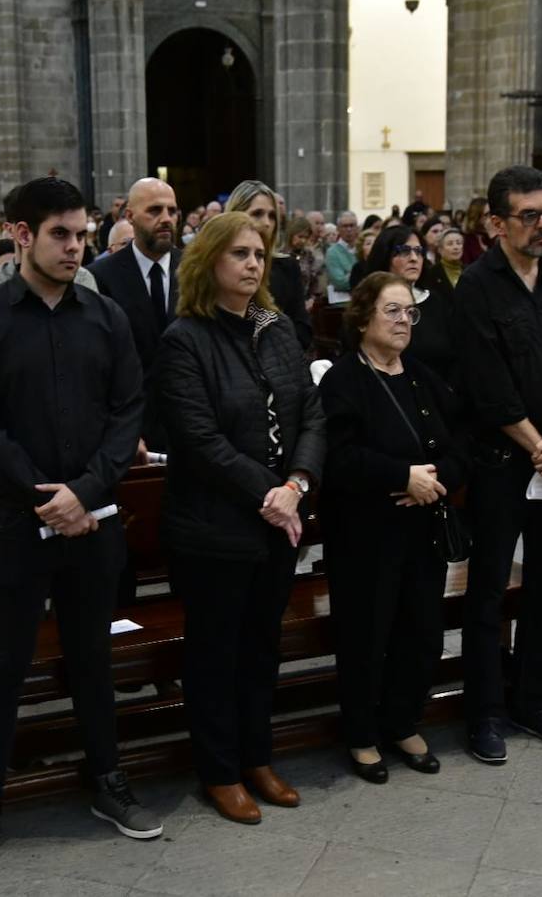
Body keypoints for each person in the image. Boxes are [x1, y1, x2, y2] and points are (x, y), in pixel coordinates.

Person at [0, 178, 160, 881]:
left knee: (92, 660)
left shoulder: (103, 318)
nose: (76, 247)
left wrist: (87, 492)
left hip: (93, 522)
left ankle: (108, 781)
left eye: (83, 234)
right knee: (3, 666)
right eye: (61, 235)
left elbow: (128, 411)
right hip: (12, 522)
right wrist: (48, 495)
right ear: (20, 236)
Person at [155, 211, 324, 824]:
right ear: (209, 263)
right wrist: (273, 494)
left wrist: (299, 483)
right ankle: (219, 770)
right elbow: (200, 442)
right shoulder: (185, 339)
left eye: (259, 254)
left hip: (277, 524)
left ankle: (258, 757)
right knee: (215, 652)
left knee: (262, 647)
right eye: (240, 254)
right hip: (214, 528)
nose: (253, 264)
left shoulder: (275, 328)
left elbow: (312, 413)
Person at [452, 165, 542, 764]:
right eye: (530, 215)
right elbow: (488, 389)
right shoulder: (477, 287)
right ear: (496, 223)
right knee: (488, 590)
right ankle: (484, 713)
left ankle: (535, 703)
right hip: (501, 465)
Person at [320, 271, 468, 784]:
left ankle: (403, 722)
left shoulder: (422, 377)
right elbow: (338, 459)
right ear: (362, 318)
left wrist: (436, 478)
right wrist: (401, 475)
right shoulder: (343, 380)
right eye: (393, 311)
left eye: (411, 312)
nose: (405, 320)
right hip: (365, 536)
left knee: (422, 633)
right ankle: (361, 734)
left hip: (422, 532)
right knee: (366, 635)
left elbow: (458, 447)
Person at [88, 177, 181, 456]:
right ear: (130, 216)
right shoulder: (102, 276)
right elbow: (99, 364)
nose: (166, 219)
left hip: (191, 421)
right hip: (131, 427)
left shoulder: (196, 271)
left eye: (172, 211)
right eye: (154, 211)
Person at [225, 179, 313, 349]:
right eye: (257, 213)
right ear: (235, 215)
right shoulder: (222, 265)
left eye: (272, 216)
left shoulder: (287, 267)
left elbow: (303, 329)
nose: (266, 223)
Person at [366, 225, 457, 385]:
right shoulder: (370, 302)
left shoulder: (434, 301)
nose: (414, 258)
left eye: (419, 251)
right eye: (404, 251)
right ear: (386, 255)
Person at [325, 211, 360, 293]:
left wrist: (349, 274)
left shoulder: (362, 248)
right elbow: (340, 282)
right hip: (341, 301)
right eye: (345, 226)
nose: (349, 229)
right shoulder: (332, 252)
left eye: (352, 225)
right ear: (338, 229)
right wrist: (359, 275)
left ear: (357, 228)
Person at [431, 228, 464, 293]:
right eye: (450, 244)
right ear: (440, 249)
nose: (456, 247)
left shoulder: (469, 270)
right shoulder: (432, 274)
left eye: (458, 243)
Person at [461, 197, 491, 264]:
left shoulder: (492, 236)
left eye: (491, 214)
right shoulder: (467, 239)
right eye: (486, 215)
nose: (490, 218)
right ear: (477, 215)